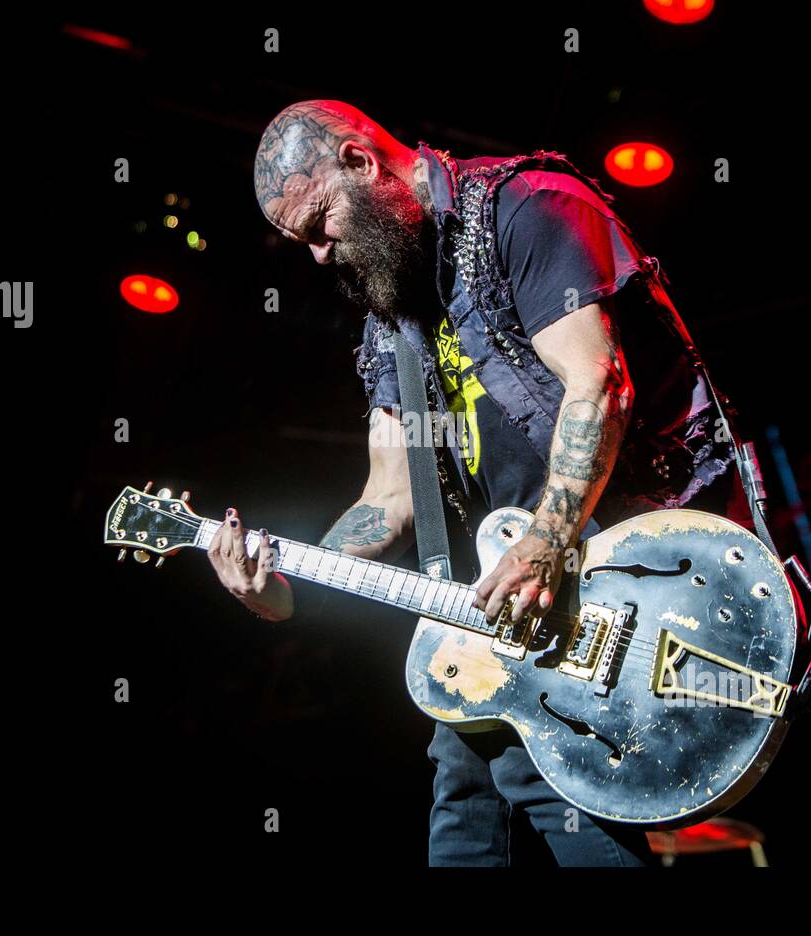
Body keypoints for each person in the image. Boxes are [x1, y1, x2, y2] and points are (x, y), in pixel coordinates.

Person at [209, 100, 748, 865]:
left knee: (531, 785)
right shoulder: (394, 316)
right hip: (523, 602)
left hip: (637, 567)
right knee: (463, 808)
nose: (321, 255)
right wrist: (285, 583)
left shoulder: (526, 207)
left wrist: (544, 540)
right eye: (302, 244)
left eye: (320, 222)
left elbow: (598, 384)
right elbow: (387, 499)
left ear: (362, 163)